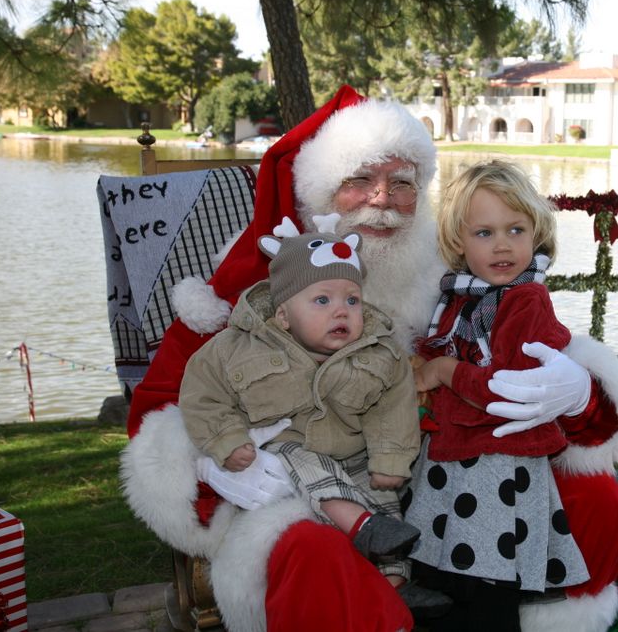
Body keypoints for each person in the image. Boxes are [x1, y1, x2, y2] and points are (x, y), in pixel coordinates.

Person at [121, 85, 618, 632]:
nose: (383, 198)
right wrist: (216, 461)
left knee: (593, 497)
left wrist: (583, 390)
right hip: (300, 487)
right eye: (358, 181)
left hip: (438, 465)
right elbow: (165, 404)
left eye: (402, 183)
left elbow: (527, 356)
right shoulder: (254, 283)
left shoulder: (446, 270)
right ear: (320, 194)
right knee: (311, 547)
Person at [177, 213, 447, 613]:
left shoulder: (380, 352)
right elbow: (202, 396)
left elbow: (393, 408)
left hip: (353, 454)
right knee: (298, 459)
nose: (341, 311)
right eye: (322, 300)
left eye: (351, 300)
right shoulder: (234, 348)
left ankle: (392, 584)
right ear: (283, 315)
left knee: (385, 494)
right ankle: (358, 523)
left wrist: (389, 459)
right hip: (284, 454)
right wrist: (226, 441)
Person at [406, 160, 589, 630]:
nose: (503, 244)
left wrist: (444, 371)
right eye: (484, 233)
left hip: (497, 471)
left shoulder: (526, 301)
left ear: (537, 233)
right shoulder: (461, 299)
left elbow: (507, 389)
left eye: (516, 229)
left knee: (487, 590)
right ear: (458, 241)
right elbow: (440, 349)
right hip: (454, 464)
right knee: (442, 586)